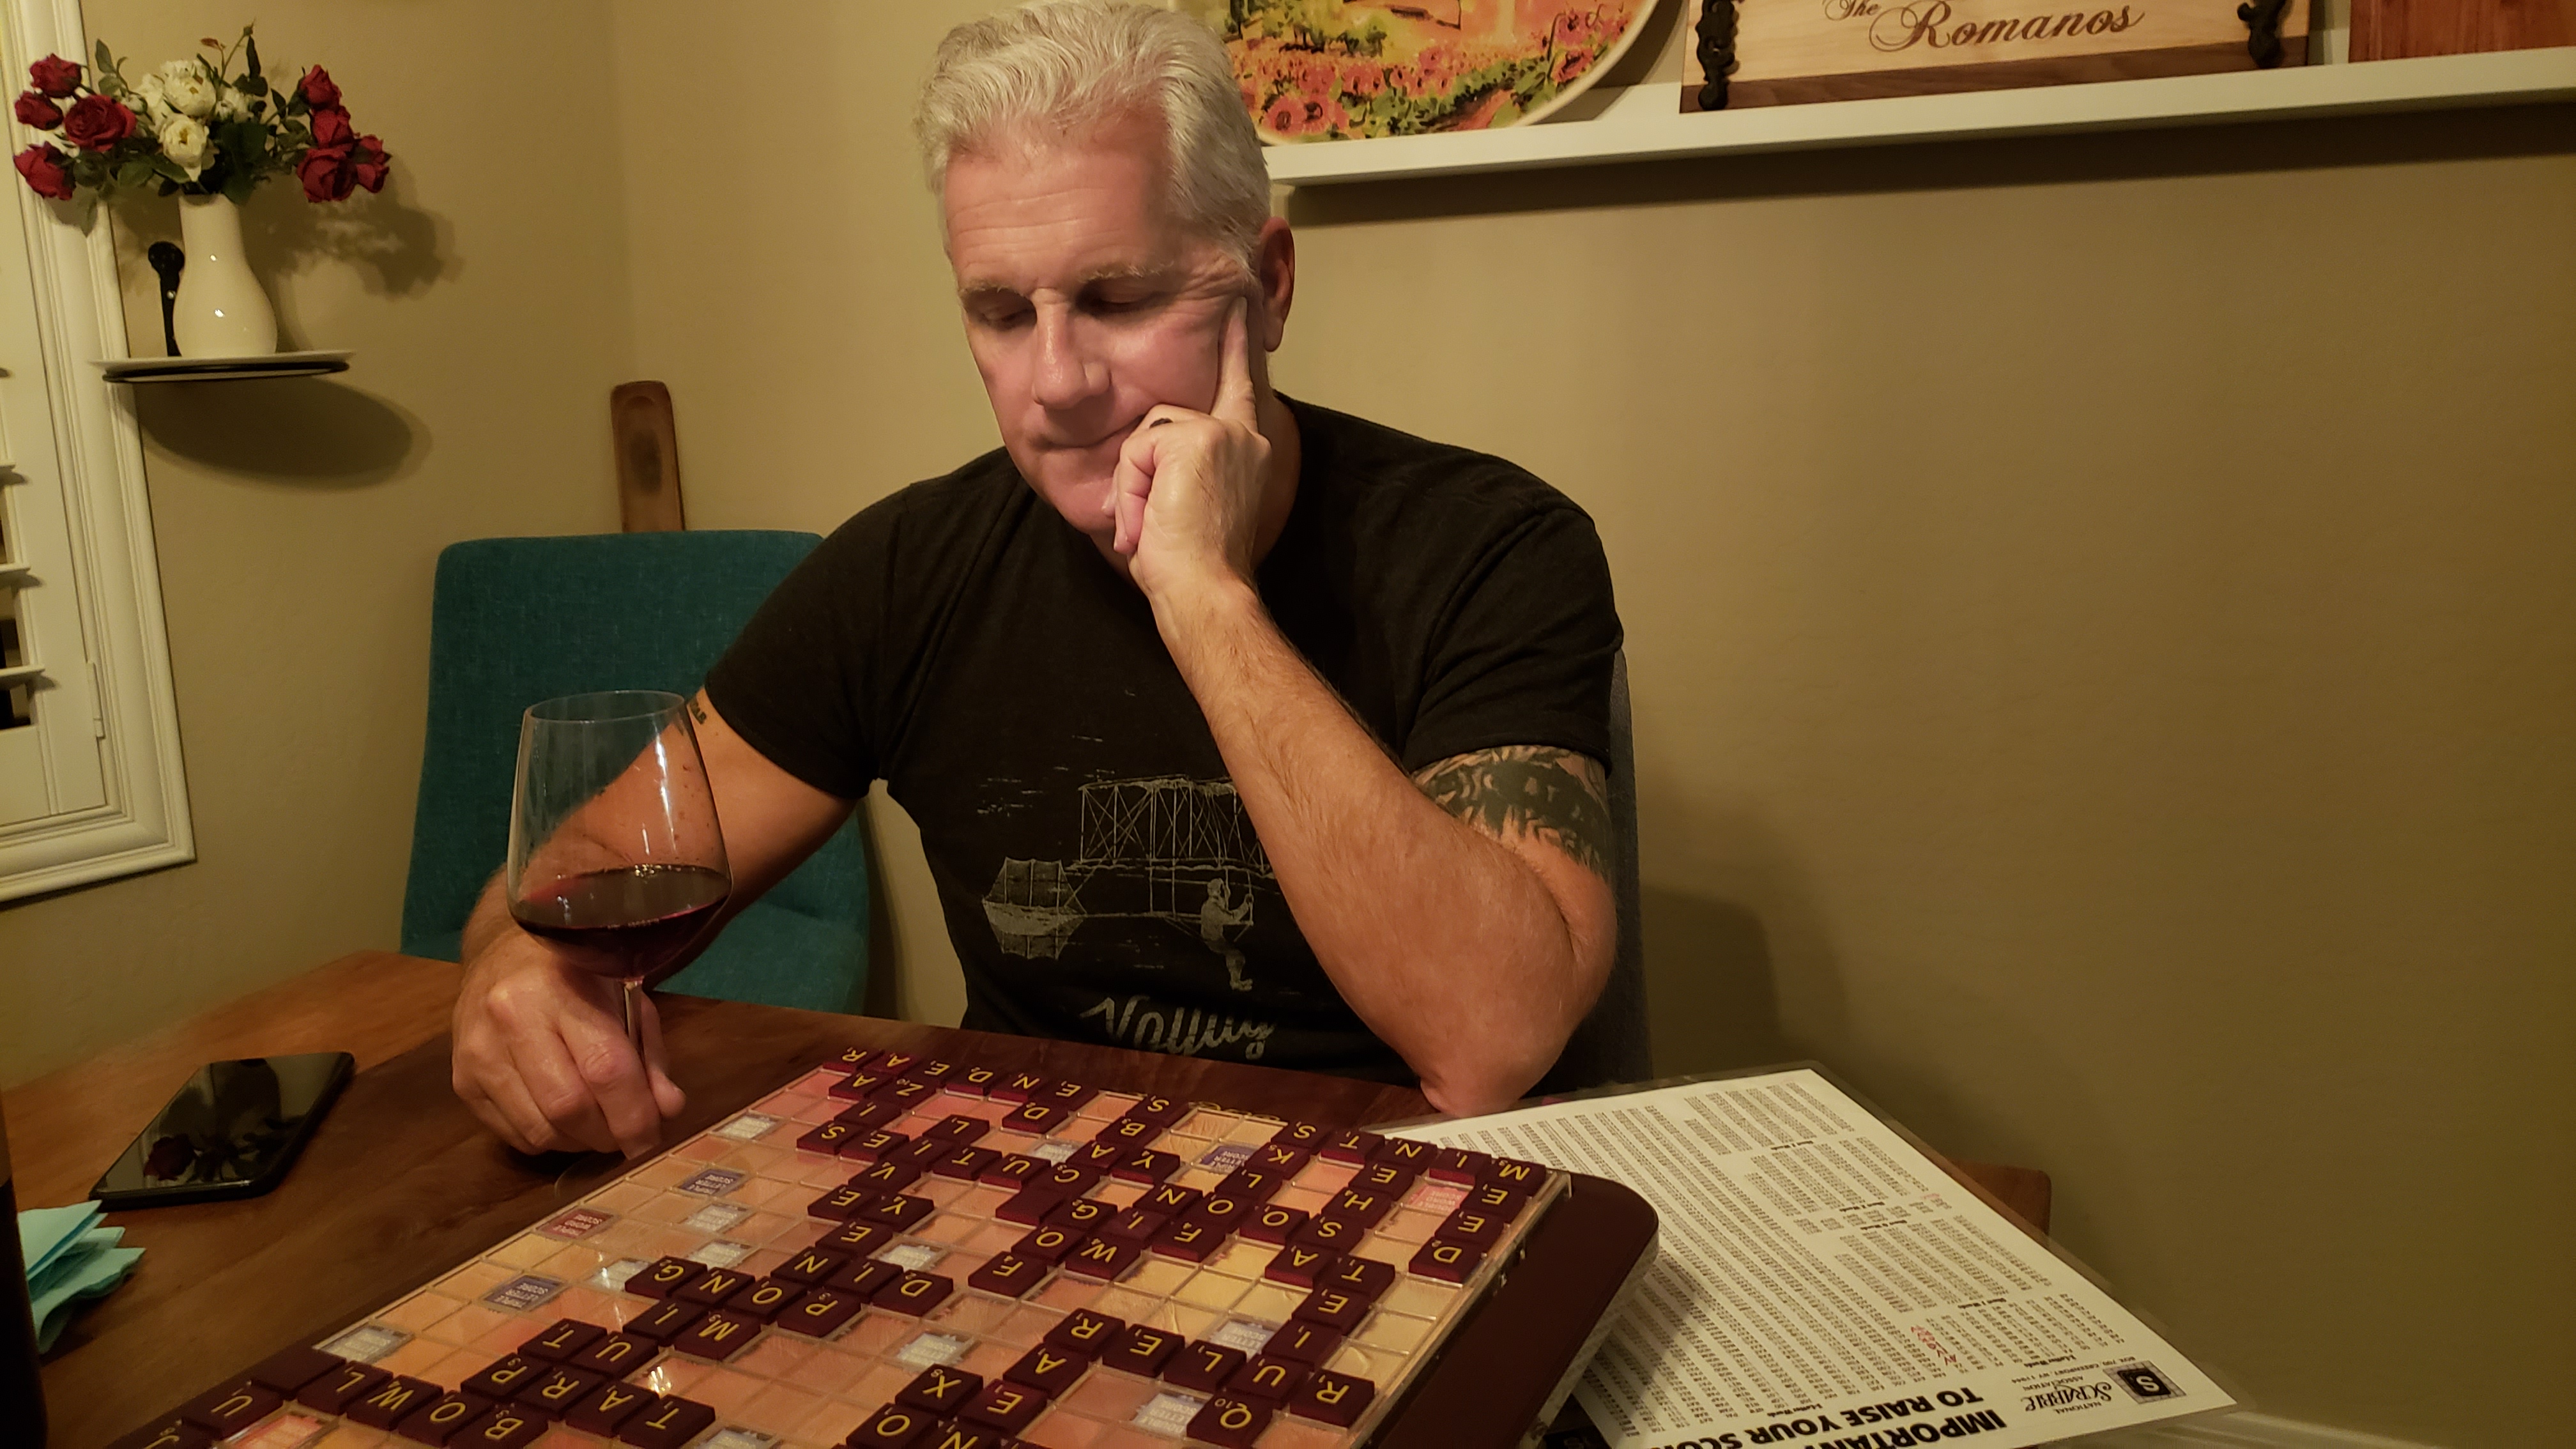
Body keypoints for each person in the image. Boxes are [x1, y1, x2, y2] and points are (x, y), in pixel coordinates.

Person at [449, 0, 1623, 1159]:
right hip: (1033, 1190)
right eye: (1002, 312)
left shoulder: (1495, 547)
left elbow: (1490, 1040)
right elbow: (556, 885)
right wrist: (515, 972)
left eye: (1118, 299)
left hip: (1392, 1186)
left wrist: (1204, 597)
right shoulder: (907, 570)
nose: (1056, 384)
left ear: (1267, 285)